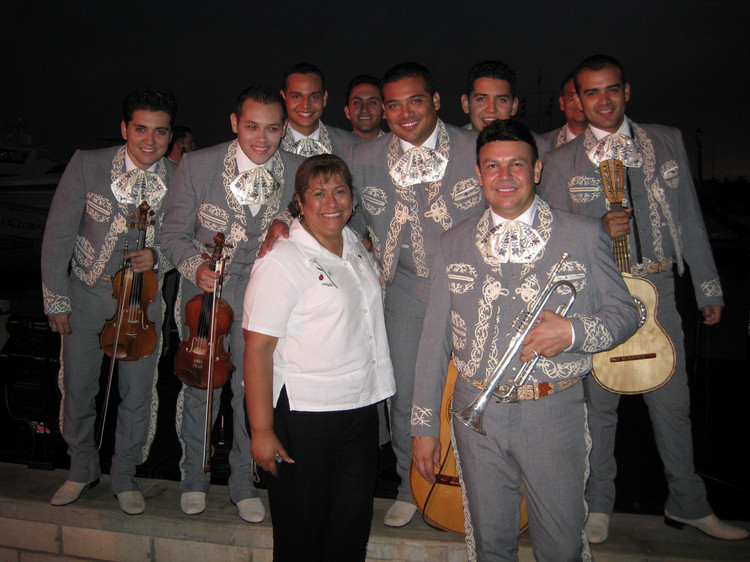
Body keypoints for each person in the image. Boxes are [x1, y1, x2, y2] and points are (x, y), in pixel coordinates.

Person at [538, 54, 748, 542]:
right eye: (591, 93)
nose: (602, 100)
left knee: (672, 401)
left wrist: (708, 287)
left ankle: (689, 502)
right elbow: (552, 236)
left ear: (626, 91)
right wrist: (596, 226)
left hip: (659, 288)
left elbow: (691, 217)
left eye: (611, 90)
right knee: (600, 407)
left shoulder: (666, 140)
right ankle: (598, 505)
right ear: (578, 100)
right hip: (599, 294)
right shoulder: (558, 161)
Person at [411, 119, 639, 562]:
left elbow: (626, 315)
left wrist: (572, 333)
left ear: (536, 170)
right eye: (492, 166)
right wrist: (422, 427)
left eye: (516, 164)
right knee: (490, 546)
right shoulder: (452, 242)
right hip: (475, 415)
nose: (504, 176)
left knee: (560, 547)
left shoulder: (584, 233)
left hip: (554, 412)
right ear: (478, 174)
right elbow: (433, 340)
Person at [347, 61, 487, 527]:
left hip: (473, 289)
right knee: (405, 393)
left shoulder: (475, 149)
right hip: (404, 288)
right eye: (393, 104)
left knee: (471, 393)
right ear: (384, 111)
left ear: (437, 101)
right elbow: (343, 221)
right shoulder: (364, 158)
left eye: (416, 101)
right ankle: (413, 487)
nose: (405, 113)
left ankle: (479, 487)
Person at [160, 85, 303, 522]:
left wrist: (285, 216)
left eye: (273, 128)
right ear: (234, 123)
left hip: (265, 293)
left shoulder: (297, 168)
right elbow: (172, 234)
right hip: (208, 294)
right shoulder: (199, 165)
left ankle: (244, 482)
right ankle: (195, 477)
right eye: (252, 126)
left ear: (284, 129)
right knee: (202, 387)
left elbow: (312, 210)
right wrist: (194, 268)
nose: (262, 138)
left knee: (253, 391)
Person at [243, 154, 395, 562]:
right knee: (301, 535)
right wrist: (261, 430)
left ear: (352, 199)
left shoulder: (355, 248)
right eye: (318, 193)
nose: (331, 202)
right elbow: (257, 348)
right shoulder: (282, 259)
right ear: (300, 203)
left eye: (340, 191)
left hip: (359, 408)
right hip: (304, 416)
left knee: (349, 530)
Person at [41, 88, 177, 515]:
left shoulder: (180, 177)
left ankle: (125, 474)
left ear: (170, 135)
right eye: (140, 129)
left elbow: (183, 240)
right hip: (86, 293)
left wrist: (160, 257)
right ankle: (81, 467)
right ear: (124, 129)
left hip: (143, 302)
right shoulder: (86, 164)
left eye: (160, 132)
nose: (150, 141)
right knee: (79, 387)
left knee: (136, 393)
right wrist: (55, 301)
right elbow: (57, 236)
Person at [461, 59, 553, 159]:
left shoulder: (540, 149)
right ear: (466, 104)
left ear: (514, 106)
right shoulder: (451, 146)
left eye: (501, 100)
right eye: (482, 99)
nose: (491, 109)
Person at [279, 62, 359, 158]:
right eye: (297, 97)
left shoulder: (351, 144)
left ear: (324, 98)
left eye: (314, 97)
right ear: (284, 98)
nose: (305, 105)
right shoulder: (268, 146)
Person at [541, 73, 587, 149]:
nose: (578, 102)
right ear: (562, 102)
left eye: (583, 95)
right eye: (572, 95)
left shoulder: (609, 142)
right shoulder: (543, 144)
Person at [345, 74, 385, 141]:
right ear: (347, 112)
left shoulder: (400, 147)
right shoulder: (335, 148)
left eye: (372, 103)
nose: (364, 109)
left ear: (384, 111)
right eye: (357, 102)